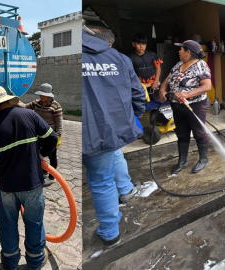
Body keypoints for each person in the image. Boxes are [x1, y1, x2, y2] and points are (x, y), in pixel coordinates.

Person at [82, 22, 144, 248]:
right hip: (105, 129)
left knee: (109, 162)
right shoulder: (119, 58)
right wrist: (130, 120)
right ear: (105, 42)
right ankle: (110, 230)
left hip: (87, 130)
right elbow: (138, 94)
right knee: (104, 175)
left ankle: (125, 193)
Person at [0, 86, 57, 270]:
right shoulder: (29, 115)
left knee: (7, 225)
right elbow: (52, 138)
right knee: (34, 224)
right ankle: (35, 262)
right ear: (7, 100)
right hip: (31, 184)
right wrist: (41, 154)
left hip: (6, 186)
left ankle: (9, 263)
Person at [159, 40, 212, 174]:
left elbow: (207, 86)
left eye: (181, 49)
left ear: (188, 52)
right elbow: (168, 78)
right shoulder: (178, 64)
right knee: (182, 134)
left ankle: (203, 159)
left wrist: (187, 94)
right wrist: (163, 90)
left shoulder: (201, 66)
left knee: (199, 133)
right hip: (177, 106)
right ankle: (182, 160)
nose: (179, 51)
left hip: (195, 105)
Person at [18, 83, 63, 187]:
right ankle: (43, 172)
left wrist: (58, 136)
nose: (41, 97)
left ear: (49, 95)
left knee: (52, 156)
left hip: (50, 136)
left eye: (43, 95)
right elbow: (25, 107)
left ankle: (52, 178)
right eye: (40, 95)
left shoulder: (55, 106)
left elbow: (59, 122)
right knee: (39, 153)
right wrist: (16, 101)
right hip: (38, 134)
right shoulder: (37, 103)